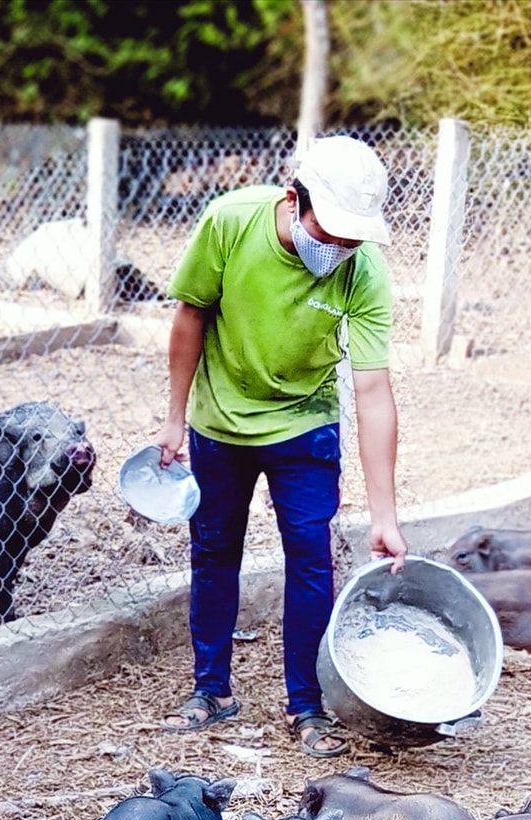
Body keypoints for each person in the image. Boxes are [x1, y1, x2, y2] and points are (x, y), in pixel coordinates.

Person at [152, 135, 407, 759]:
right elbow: (190, 315)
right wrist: (174, 419)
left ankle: (307, 703)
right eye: (335, 231)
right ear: (295, 200)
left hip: (305, 423)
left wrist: (385, 516)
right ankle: (211, 689)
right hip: (221, 420)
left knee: (311, 559)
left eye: (355, 237)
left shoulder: (363, 272)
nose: (343, 248)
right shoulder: (230, 222)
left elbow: (373, 394)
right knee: (213, 552)